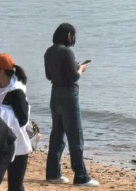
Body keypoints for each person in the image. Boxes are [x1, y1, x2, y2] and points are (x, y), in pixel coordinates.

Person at [44, 23, 97, 187]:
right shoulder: (67, 51)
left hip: (55, 93)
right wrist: (81, 68)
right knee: (75, 136)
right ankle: (81, 176)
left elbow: (48, 75)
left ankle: (53, 173)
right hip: (68, 95)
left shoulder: (49, 51)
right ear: (68, 35)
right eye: (72, 35)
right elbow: (74, 77)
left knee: (57, 136)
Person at [0, 55, 33, 191]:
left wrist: (5, 115)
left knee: (15, 185)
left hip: (18, 142)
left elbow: (24, 119)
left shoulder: (17, 91)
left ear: (1, 70)